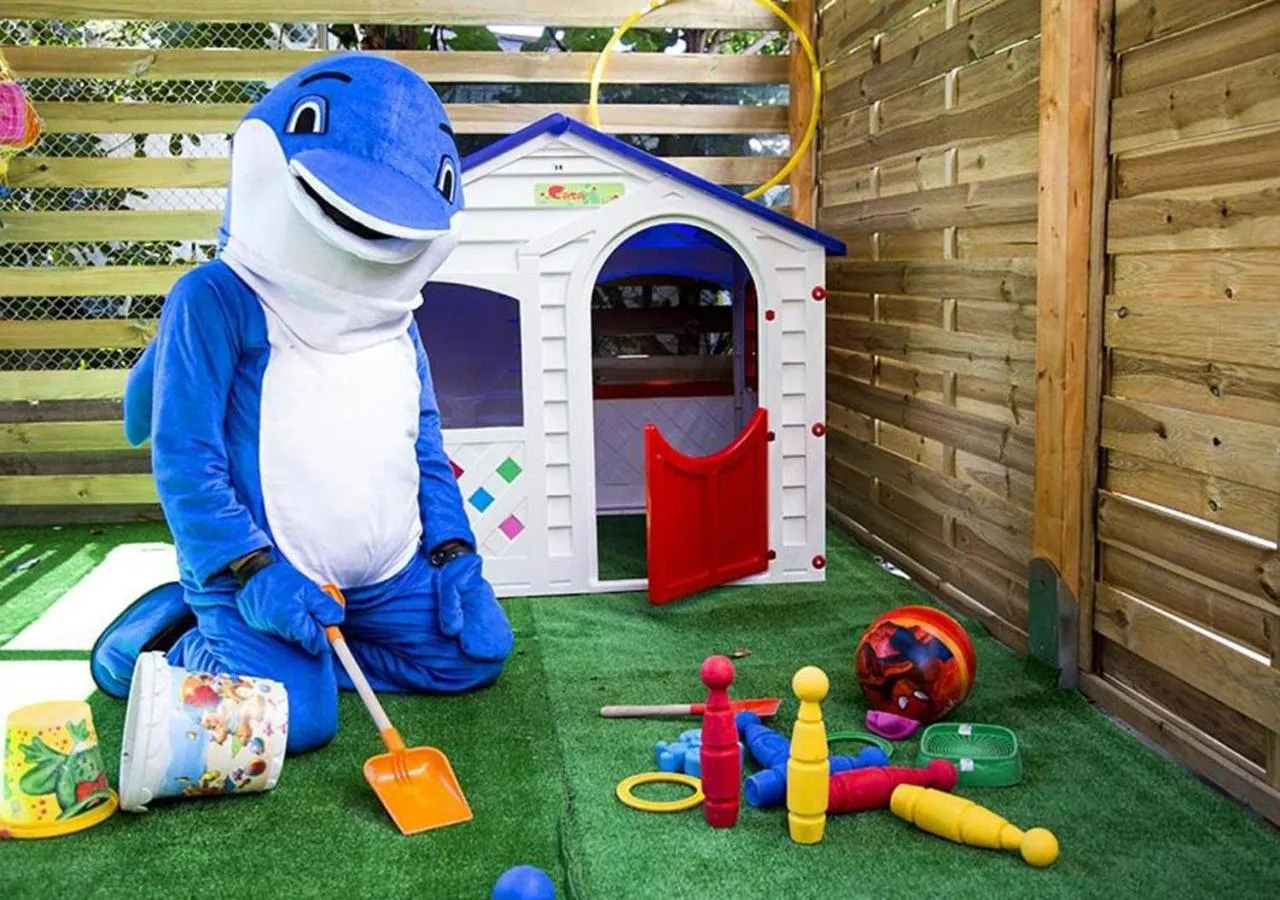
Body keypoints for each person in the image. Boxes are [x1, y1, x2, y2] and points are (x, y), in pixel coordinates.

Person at [92, 54, 513, 754]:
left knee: (473, 655)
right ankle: (167, 644)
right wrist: (251, 570)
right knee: (296, 722)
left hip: (386, 573)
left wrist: (451, 551)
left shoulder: (399, 320)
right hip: (257, 569)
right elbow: (185, 458)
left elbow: (424, 443)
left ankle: (314, 656)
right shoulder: (216, 299)